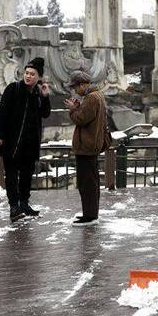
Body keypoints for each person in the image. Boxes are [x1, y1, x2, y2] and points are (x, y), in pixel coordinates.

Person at [0, 57, 51, 222]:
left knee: (26, 175)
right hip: (12, 141)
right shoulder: (13, 88)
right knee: (11, 175)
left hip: (30, 143)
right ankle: (14, 206)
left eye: (32, 74)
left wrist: (46, 97)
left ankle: (24, 203)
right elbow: (2, 112)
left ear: (39, 77)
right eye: (26, 73)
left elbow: (45, 114)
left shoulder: (39, 93)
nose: (28, 76)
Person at [63, 70, 109, 227]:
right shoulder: (97, 96)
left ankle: (89, 216)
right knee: (91, 181)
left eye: (75, 87)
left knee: (86, 183)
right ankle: (90, 213)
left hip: (87, 146)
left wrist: (73, 109)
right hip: (91, 146)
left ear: (83, 85)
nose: (75, 91)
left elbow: (81, 119)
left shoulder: (91, 98)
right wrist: (79, 107)